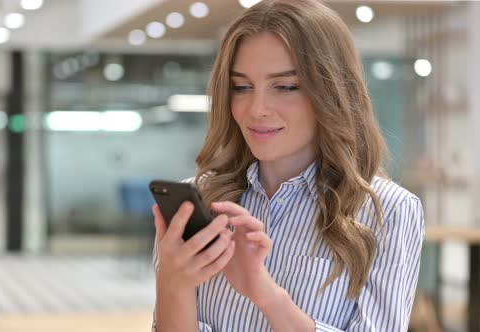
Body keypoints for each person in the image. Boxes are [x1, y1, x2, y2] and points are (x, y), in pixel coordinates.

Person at [151, 0, 425, 331]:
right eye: (242, 87)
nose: (257, 109)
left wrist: (266, 294)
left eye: (285, 87)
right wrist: (174, 284)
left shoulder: (388, 212)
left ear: (332, 91)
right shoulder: (202, 203)